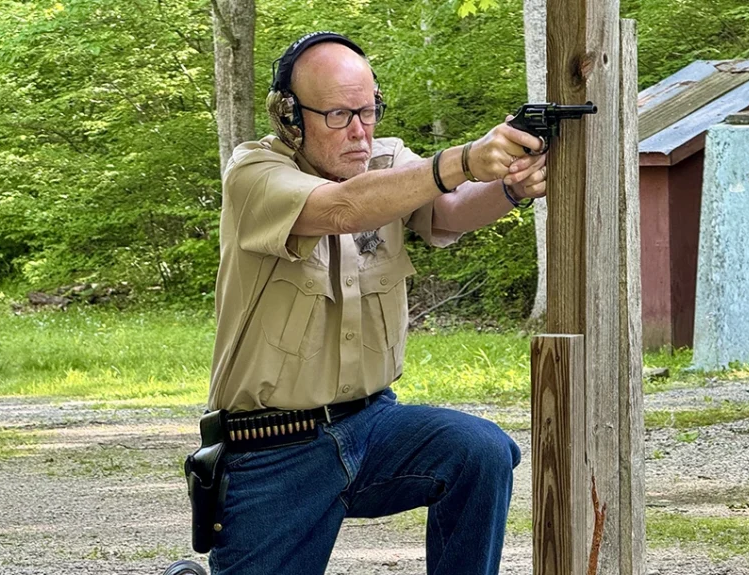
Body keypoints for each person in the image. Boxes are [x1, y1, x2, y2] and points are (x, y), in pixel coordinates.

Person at [203, 31, 548, 575]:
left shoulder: (389, 162)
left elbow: (448, 212)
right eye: (339, 116)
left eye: (369, 111)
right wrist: (462, 159)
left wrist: (511, 185)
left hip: (374, 426)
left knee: (479, 453)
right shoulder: (253, 174)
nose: (361, 133)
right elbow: (342, 211)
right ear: (290, 117)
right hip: (273, 449)